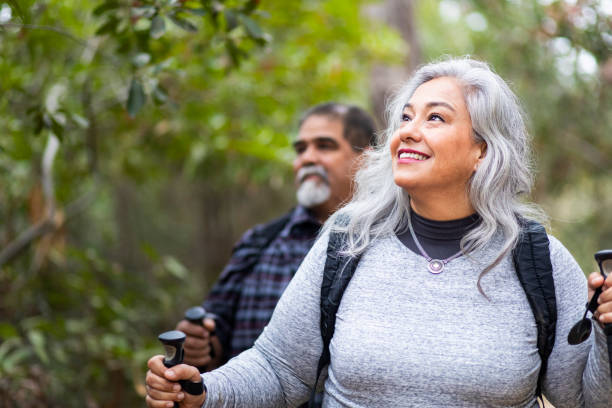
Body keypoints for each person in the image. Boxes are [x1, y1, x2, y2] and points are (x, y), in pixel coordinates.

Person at [145, 57, 612, 407]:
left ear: (483, 152)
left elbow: (588, 399)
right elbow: (280, 368)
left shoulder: (536, 257)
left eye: (435, 118)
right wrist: (203, 391)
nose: (408, 131)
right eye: (405, 117)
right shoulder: (349, 240)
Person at [175, 103, 377, 371]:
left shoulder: (392, 244)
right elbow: (216, 333)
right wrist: (199, 343)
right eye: (301, 149)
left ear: (366, 159)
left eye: (324, 146)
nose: (307, 158)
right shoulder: (259, 243)